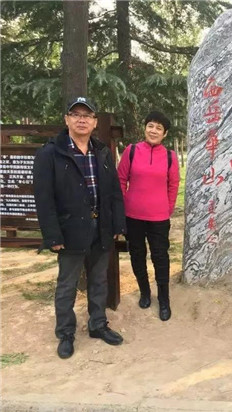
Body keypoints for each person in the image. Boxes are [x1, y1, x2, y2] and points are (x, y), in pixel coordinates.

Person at [33, 97, 126, 359]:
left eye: (87, 115)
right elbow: (44, 198)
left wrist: (117, 223)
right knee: (67, 284)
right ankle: (65, 333)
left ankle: (98, 324)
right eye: (76, 114)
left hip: (101, 228)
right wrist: (52, 235)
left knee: (98, 280)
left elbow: (114, 192)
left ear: (95, 122)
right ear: (67, 120)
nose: (81, 119)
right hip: (70, 230)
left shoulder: (102, 151)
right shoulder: (51, 153)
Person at [117, 111, 180, 321]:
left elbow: (173, 184)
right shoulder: (132, 151)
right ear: (145, 128)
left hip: (159, 218)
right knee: (137, 255)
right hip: (133, 215)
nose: (154, 131)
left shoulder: (170, 156)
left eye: (159, 128)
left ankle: (164, 299)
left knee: (160, 258)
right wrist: (124, 204)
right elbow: (121, 179)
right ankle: (144, 292)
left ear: (165, 133)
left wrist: (167, 208)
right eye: (150, 126)